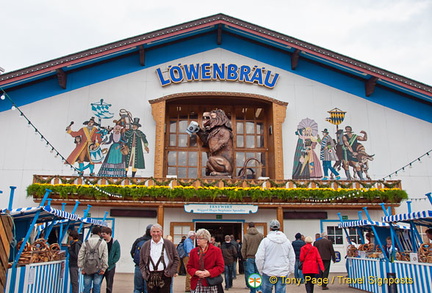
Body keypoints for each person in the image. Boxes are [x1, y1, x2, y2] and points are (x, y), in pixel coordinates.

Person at [255, 219, 295, 293]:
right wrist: (290, 270)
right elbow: (292, 257)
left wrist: (260, 269)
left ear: (270, 228)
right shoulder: (287, 241)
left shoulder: (265, 241)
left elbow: (259, 257)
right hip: (282, 271)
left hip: (268, 271)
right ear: (279, 228)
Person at [139, 224, 179, 293]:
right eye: (154, 232)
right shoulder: (145, 245)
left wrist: (171, 272)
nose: (156, 234)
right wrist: (144, 274)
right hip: (150, 276)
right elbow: (141, 262)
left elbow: (176, 259)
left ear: (161, 232)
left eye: (158, 231)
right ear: (151, 233)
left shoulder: (169, 244)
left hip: (165, 275)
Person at [186, 228, 225, 293]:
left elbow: (220, 267)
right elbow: (189, 267)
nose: (197, 240)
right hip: (196, 283)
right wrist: (196, 272)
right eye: (197, 238)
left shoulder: (216, 250)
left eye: (200, 238)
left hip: (211, 283)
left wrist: (209, 273)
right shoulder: (193, 251)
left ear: (206, 240)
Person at [78, 226, 108, 293]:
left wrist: (81, 267)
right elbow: (105, 256)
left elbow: (80, 255)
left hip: (87, 268)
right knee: (97, 286)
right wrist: (104, 268)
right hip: (98, 268)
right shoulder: (103, 242)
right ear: (99, 233)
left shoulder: (86, 242)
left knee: (86, 286)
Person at [241, 222, 264, 293]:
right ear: (255, 226)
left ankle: (253, 290)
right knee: (258, 273)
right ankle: (259, 288)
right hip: (259, 257)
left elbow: (243, 248)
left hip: (249, 257)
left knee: (251, 274)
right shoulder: (260, 235)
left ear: (248, 227)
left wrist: (244, 256)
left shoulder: (246, 236)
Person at [131, 224, 153, 293]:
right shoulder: (154, 242)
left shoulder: (139, 240)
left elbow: (132, 252)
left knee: (137, 288)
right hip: (150, 268)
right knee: (148, 289)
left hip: (138, 266)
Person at [101, 227, 121, 293]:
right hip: (101, 266)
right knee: (97, 282)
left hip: (111, 267)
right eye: (102, 234)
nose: (102, 235)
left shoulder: (115, 243)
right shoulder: (100, 242)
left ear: (109, 234)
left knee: (109, 284)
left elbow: (117, 254)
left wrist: (111, 262)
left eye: (104, 234)